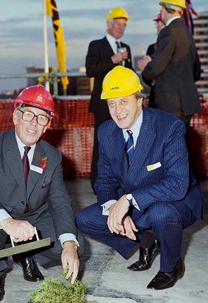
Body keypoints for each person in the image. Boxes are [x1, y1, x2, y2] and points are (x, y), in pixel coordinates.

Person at [75, 67, 202, 290]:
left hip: (175, 201)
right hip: (135, 202)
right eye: (111, 103)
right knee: (85, 219)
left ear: (140, 100)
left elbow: (177, 185)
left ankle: (171, 266)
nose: (117, 110)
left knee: (160, 213)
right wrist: (114, 206)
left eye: (123, 101)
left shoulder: (169, 127)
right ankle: (146, 242)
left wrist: (127, 201)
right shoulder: (106, 132)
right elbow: (104, 181)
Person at [0, 85, 82, 302]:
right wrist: (7, 222)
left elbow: (59, 201)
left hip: (34, 215)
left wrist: (70, 244)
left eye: (42, 118)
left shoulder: (51, 157)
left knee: (71, 243)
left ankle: (26, 254)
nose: (34, 123)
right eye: (28, 115)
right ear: (16, 116)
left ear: (48, 126)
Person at [86, 6, 133, 192]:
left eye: (124, 26)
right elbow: (90, 70)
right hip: (103, 105)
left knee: (123, 142)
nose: (121, 29)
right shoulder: (96, 45)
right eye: (118, 25)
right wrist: (112, 60)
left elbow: (130, 76)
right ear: (109, 25)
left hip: (123, 105)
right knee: (101, 143)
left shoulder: (126, 48)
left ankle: (120, 181)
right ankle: (97, 183)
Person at [137, 0, 201, 128]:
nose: (161, 12)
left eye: (161, 9)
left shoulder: (168, 31)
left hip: (170, 104)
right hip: (186, 104)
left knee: (168, 144)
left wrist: (147, 67)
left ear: (166, 9)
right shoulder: (187, 32)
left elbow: (155, 68)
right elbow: (196, 72)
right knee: (179, 144)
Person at [143, 11, 165, 108]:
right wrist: (146, 68)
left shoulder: (175, 47)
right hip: (155, 99)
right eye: (157, 24)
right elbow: (146, 77)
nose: (157, 27)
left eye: (161, 24)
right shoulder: (152, 48)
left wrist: (152, 66)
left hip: (171, 100)